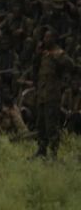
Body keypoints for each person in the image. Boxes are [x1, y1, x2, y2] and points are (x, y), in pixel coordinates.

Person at [34, 29, 74, 158]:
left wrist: (54, 56)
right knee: (41, 125)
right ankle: (41, 150)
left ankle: (53, 152)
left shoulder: (59, 53)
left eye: (48, 37)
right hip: (42, 95)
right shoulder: (43, 54)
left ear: (54, 39)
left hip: (52, 96)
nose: (45, 39)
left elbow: (70, 64)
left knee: (52, 126)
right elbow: (35, 70)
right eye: (44, 37)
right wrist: (37, 54)